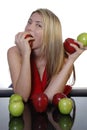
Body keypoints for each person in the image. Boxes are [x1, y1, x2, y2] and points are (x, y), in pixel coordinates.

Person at [7, 8, 86, 103]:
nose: (29, 28)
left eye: (38, 25)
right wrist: (26, 54)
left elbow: (48, 99)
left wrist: (71, 60)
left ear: (51, 35)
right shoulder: (14, 52)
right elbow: (22, 97)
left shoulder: (62, 59)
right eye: (29, 22)